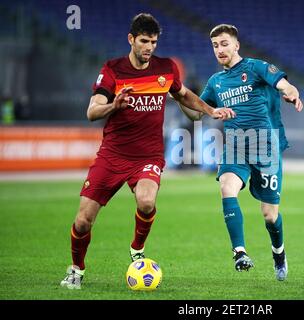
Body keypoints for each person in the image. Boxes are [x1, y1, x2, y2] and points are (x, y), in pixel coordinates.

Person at [60, 14, 235, 289]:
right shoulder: (113, 70)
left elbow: (184, 95)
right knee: (83, 221)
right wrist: (113, 106)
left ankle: (137, 249)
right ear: (131, 39)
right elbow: (92, 111)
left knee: (146, 202)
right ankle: (76, 269)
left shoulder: (165, 69)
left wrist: (211, 110)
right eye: (144, 41)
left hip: (148, 156)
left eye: (153, 41)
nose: (149, 47)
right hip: (112, 155)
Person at [178, 24, 302, 281]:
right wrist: (179, 96)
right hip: (235, 146)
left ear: (236, 45)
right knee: (226, 187)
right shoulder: (216, 82)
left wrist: (291, 94)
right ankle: (240, 252)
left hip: (265, 146)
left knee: (269, 215)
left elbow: (285, 85)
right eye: (215, 46)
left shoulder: (256, 67)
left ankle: (278, 252)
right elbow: (195, 112)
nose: (220, 49)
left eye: (224, 44)